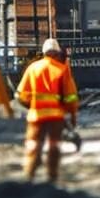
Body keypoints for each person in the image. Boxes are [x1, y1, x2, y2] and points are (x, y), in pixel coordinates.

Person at [15, 38, 79, 183]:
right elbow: (71, 98)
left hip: (36, 115)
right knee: (53, 145)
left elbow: (20, 95)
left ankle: (29, 174)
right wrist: (73, 117)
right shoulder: (62, 70)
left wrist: (30, 106)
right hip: (56, 116)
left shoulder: (33, 68)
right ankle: (52, 176)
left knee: (33, 145)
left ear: (43, 53)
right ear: (57, 53)